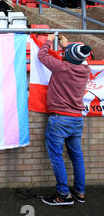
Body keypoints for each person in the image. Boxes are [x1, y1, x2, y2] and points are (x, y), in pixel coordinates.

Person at [38, 34, 91, 206]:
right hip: (77, 119)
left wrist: (47, 40)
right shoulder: (85, 69)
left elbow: (42, 55)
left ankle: (63, 195)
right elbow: (77, 57)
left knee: (56, 156)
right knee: (77, 156)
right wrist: (67, 46)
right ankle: (79, 192)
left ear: (68, 56)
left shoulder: (62, 67)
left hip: (60, 119)